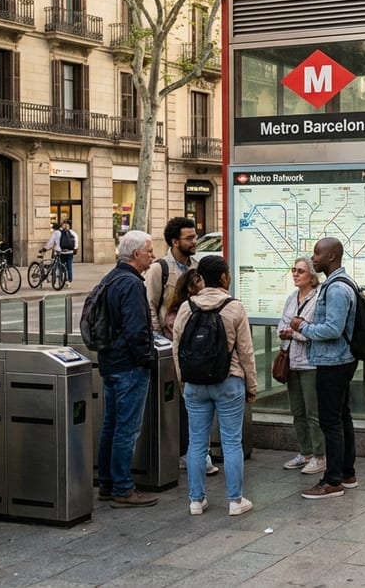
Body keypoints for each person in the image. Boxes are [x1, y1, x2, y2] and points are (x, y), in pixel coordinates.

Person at [171, 255, 256, 517]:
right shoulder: (234, 307)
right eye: (227, 273)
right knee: (231, 442)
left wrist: (183, 381)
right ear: (222, 277)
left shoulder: (187, 307)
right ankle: (235, 500)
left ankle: (196, 500)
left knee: (196, 443)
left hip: (195, 383)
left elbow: (177, 348)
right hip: (228, 381)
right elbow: (245, 352)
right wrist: (251, 386)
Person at [145, 216, 215, 474]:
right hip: (170, 344)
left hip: (198, 346)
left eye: (195, 236)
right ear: (175, 242)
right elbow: (151, 305)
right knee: (179, 403)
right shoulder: (160, 269)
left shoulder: (197, 266)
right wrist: (158, 340)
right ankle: (183, 452)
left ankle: (197, 453)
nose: (194, 241)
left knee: (197, 401)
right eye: (189, 238)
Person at [291, 237, 359, 500]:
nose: (313, 257)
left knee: (330, 421)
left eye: (318, 254)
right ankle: (347, 473)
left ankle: (332, 481)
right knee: (341, 417)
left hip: (334, 361)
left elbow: (333, 329)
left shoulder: (336, 289)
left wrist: (302, 327)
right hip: (339, 359)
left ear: (332, 257)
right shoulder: (339, 284)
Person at [95, 230, 159, 508]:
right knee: (127, 429)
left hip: (110, 362)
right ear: (136, 254)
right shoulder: (132, 284)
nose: (152, 256)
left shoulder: (111, 277)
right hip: (129, 366)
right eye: (149, 251)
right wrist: (147, 359)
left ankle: (107, 483)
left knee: (111, 425)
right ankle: (123, 487)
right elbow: (136, 330)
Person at [277, 257, 326, 476]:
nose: (295, 274)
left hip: (310, 362)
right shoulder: (291, 298)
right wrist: (287, 332)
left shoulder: (318, 300)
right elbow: (282, 323)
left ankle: (319, 455)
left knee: (312, 411)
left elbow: (316, 331)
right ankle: (305, 452)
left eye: (301, 271)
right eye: (293, 270)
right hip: (291, 362)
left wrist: (295, 332)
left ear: (312, 277)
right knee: (297, 411)